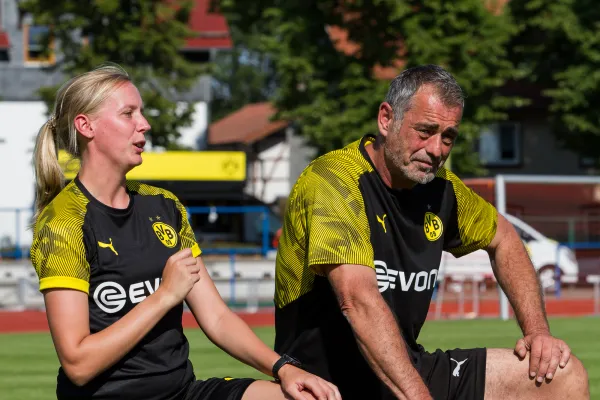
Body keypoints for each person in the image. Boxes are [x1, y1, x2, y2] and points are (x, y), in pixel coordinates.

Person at [273, 64, 590, 399]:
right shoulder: (333, 180)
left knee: (563, 376)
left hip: (406, 370)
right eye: (425, 131)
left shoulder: (442, 190)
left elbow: (505, 238)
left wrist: (537, 332)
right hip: (323, 384)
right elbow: (358, 300)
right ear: (386, 119)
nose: (437, 149)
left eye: (448, 136)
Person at [30, 64, 341, 400]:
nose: (144, 124)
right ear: (85, 125)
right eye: (128, 113)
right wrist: (164, 296)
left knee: (307, 398)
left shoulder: (163, 206)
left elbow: (218, 318)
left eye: (142, 113)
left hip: (182, 392)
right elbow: (78, 364)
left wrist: (284, 367)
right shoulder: (62, 223)